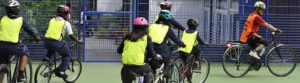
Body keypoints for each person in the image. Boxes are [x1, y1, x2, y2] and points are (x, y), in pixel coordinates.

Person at [0, 0, 41, 82]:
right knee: (25, 51)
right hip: (13, 47)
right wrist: (36, 38)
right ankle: (21, 75)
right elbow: (30, 31)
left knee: (2, 67)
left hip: (1, 47)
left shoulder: (2, 19)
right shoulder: (20, 20)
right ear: (17, 9)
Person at [117, 17, 161, 83]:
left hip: (127, 68)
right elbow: (152, 54)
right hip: (140, 68)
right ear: (146, 28)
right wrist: (157, 57)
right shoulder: (147, 38)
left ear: (134, 27)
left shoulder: (127, 37)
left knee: (125, 73)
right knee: (149, 70)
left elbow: (119, 50)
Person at [43, 5, 82, 79]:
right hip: (56, 43)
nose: (68, 15)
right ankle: (61, 71)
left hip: (46, 42)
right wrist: (78, 41)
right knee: (66, 55)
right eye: (67, 13)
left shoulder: (52, 20)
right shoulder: (65, 23)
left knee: (51, 48)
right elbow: (71, 35)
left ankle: (46, 59)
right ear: (65, 14)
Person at [148, 9, 186, 77]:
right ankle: (165, 71)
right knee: (168, 53)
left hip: (148, 47)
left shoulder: (152, 26)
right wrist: (182, 44)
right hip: (159, 48)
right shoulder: (167, 28)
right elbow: (175, 39)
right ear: (168, 21)